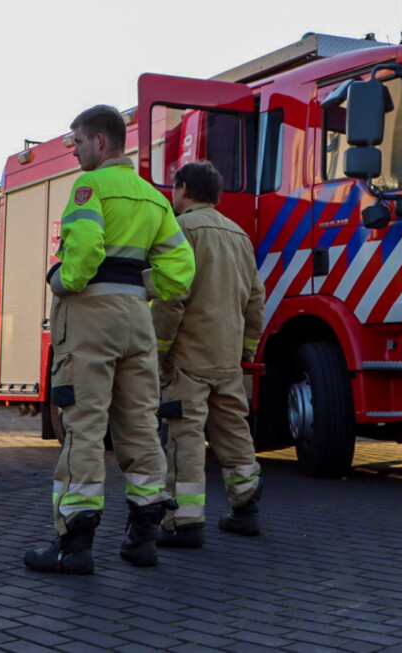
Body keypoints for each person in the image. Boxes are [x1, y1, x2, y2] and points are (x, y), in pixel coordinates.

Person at [23, 105, 195, 574]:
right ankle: (142, 538)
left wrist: (62, 279)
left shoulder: (88, 187)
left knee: (83, 427)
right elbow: (181, 272)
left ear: (101, 142)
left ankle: (73, 547)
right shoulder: (154, 198)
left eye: (77, 141)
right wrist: (142, 287)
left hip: (90, 319)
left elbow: (84, 250)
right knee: (140, 426)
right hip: (136, 320)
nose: (75, 150)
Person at [152, 160, 265, 548]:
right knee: (234, 433)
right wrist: (245, 350)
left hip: (188, 359)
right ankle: (245, 508)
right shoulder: (239, 236)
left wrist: (159, 351)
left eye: (173, 187)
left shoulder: (181, 230)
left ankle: (183, 522)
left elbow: (171, 297)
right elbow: (255, 302)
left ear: (183, 188)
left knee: (185, 436)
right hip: (228, 358)